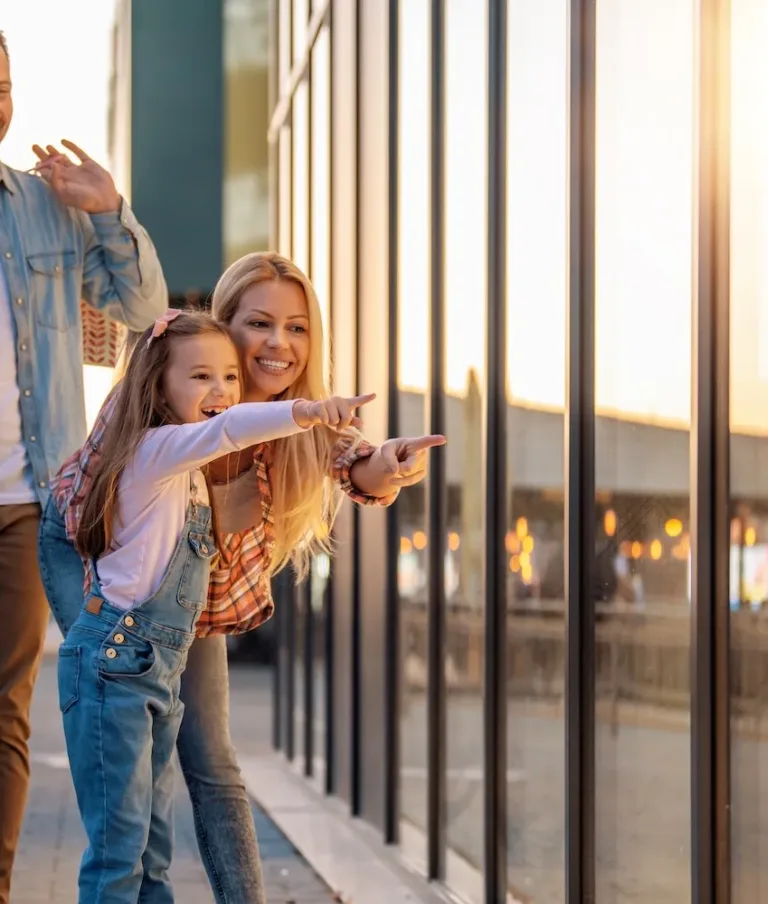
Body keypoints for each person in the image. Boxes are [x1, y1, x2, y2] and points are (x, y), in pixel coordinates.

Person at [39, 252, 444, 903]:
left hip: (188, 614)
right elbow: (77, 502)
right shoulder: (165, 406)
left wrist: (389, 465)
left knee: (210, 763)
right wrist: (98, 624)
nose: (279, 343)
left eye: (298, 327)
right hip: (117, 600)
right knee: (129, 788)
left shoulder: (298, 422)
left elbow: (355, 461)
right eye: (260, 323)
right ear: (223, 324)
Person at [0, 30, 167, 902]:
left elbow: (141, 308)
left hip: (27, 498)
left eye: (1, 84)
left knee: (10, 709)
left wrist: (108, 207)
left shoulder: (43, 207)